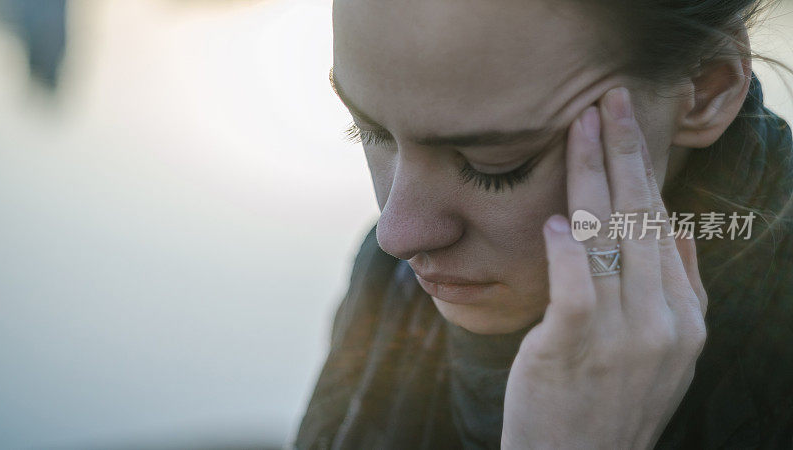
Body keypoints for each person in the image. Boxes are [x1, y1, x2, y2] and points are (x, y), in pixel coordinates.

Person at [296, 0, 793, 448]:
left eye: (496, 163)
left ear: (707, 89)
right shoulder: (392, 292)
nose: (396, 235)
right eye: (368, 131)